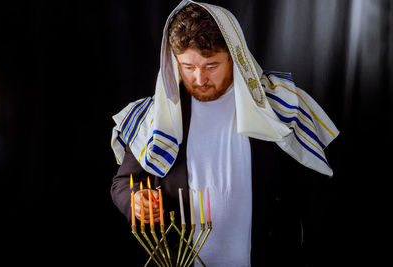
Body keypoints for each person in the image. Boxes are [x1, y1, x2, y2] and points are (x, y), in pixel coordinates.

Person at [110, 1, 339, 266]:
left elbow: (312, 193)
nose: (199, 78)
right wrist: (136, 201)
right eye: (188, 67)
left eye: (211, 66)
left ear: (234, 56)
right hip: (180, 260)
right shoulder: (155, 117)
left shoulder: (278, 107)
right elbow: (123, 183)